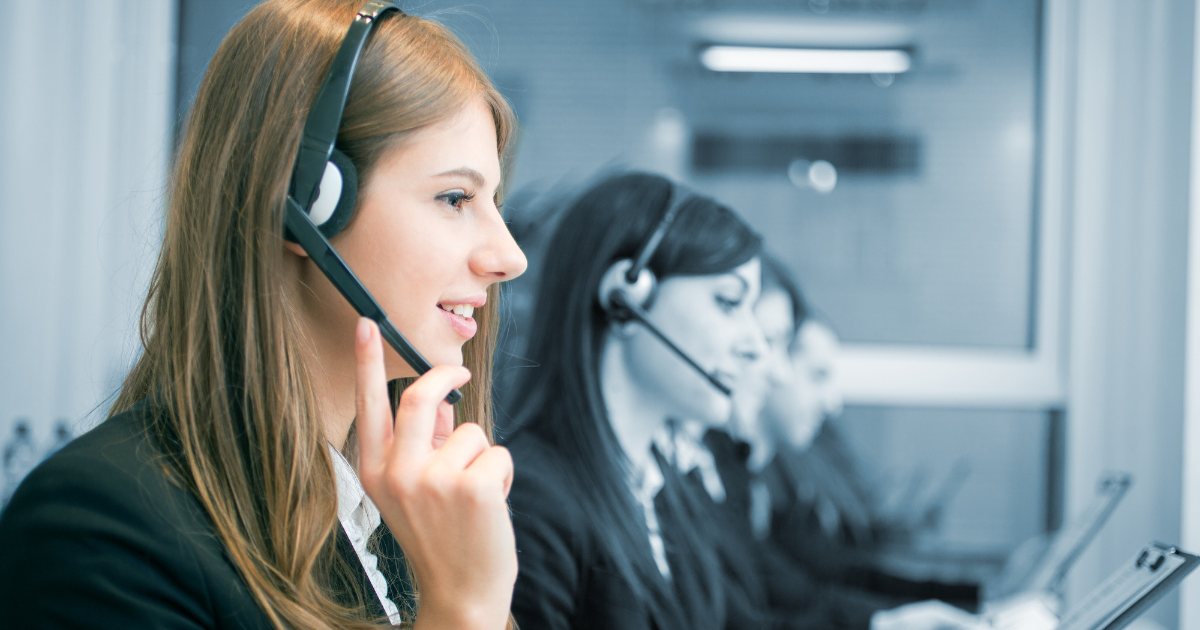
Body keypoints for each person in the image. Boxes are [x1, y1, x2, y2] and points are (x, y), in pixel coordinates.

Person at [0, 2, 526, 629]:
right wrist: (463, 609)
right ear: (306, 201)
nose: (509, 257)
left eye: (492, 201)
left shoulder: (392, 520)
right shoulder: (100, 529)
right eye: (455, 197)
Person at [504, 172, 766, 630]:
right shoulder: (533, 499)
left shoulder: (664, 487)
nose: (755, 345)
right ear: (625, 298)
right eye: (728, 303)